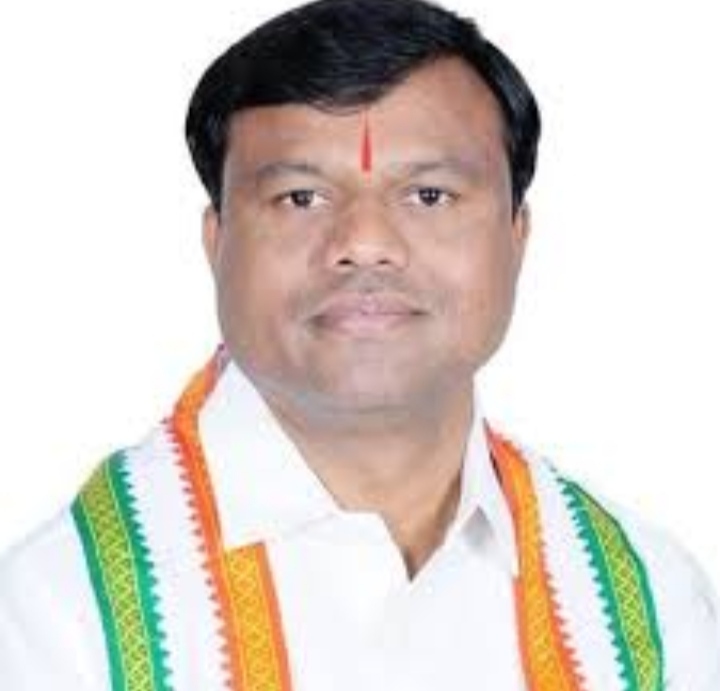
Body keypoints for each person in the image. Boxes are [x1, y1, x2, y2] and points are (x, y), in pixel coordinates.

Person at [1, 0, 718, 687]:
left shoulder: (647, 610)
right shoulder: (58, 613)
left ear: (517, 235)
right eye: (301, 198)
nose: (366, 243)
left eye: (430, 195)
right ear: (216, 241)